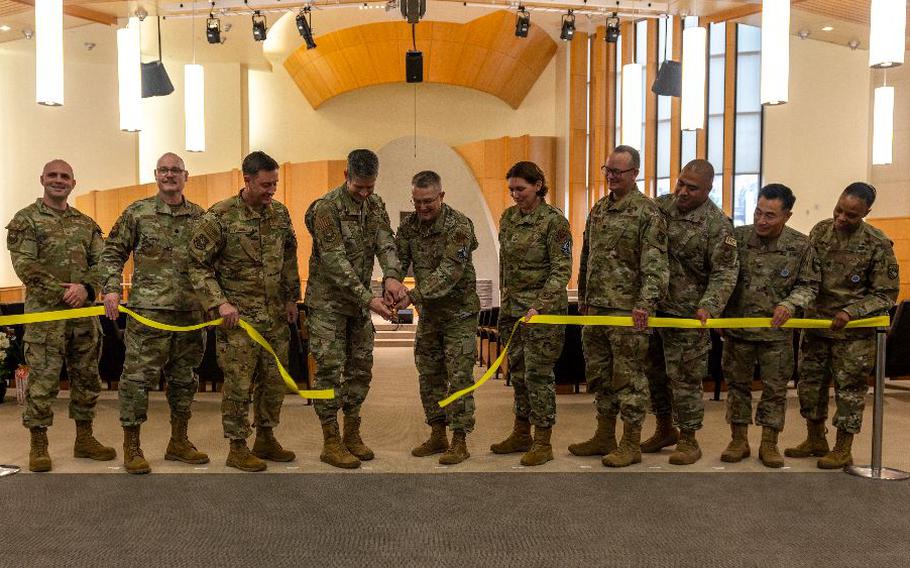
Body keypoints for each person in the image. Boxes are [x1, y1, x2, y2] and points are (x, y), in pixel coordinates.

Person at [188, 151, 301, 472]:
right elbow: (196, 265)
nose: (271, 191)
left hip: (275, 317)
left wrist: (292, 298)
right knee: (238, 383)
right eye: (265, 184)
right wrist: (219, 302)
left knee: (273, 381)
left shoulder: (279, 214)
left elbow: (290, 257)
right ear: (247, 180)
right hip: (238, 320)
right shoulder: (219, 217)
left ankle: (265, 437)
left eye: (275, 184)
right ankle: (237, 446)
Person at [98, 152, 209, 474]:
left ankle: (179, 441)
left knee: (184, 380)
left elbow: (212, 261)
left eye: (176, 170)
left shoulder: (201, 217)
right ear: (156, 175)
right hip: (149, 314)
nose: (170, 175)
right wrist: (111, 289)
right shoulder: (138, 212)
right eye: (164, 170)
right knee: (136, 380)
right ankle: (132, 446)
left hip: (190, 315)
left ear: (186, 176)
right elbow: (112, 252)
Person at [6, 159, 116, 472]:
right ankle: (38, 445)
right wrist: (63, 292)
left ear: (73, 183)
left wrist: (86, 288)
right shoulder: (26, 220)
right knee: (42, 383)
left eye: (64, 176)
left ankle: (85, 438)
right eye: (52, 175)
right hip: (45, 318)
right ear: (42, 179)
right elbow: (25, 265)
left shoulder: (85, 223)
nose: (58, 180)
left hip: (83, 318)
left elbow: (103, 263)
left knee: (86, 379)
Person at [303, 149, 405, 469]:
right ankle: (330, 439)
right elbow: (335, 262)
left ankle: (352, 432)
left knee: (361, 370)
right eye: (359, 187)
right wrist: (370, 299)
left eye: (369, 187)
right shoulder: (326, 209)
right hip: (328, 304)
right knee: (330, 371)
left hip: (359, 304)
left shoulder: (375, 205)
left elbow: (387, 244)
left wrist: (390, 277)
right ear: (346, 175)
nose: (364, 194)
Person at [785, 182, 899, 469]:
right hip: (816, 326)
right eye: (839, 210)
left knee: (849, 392)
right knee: (810, 386)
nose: (841, 219)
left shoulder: (877, 243)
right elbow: (808, 277)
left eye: (851, 215)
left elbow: (885, 294)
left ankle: (843, 448)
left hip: (854, 334)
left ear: (866, 213)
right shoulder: (820, 232)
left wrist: (851, 311)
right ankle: (815, 439)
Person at [571, 146, 668, 468]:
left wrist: (645, 304)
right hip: (596, 308)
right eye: (607, 169)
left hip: (628, 312)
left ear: (634, 173)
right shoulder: (599, 209)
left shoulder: (647, 212)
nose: (611, 176)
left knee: (628, 378)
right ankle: (604, 434)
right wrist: (583, 297)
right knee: (599, 375)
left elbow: (655, 264)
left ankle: (631, 442)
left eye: (618, 172)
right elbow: (587, 258)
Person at [643, 159, 739, 465]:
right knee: (654, 374)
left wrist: (709, 306)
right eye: (680, 183)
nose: (682, 191)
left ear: (709, 189)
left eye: (692, 187)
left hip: (687, 315)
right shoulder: (660, 207)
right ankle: (664, 428)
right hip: (653, 309)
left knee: (685, 380)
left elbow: (725, 272)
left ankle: (689, 439)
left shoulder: (717, 224)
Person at [720, 184, 819, 468]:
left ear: (787, 215)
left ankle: (769, 443)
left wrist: (790, 304)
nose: (761, 221)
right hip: (738, 332)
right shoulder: (736, 239)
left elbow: (809, 285)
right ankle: (738, 440)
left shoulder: (800, 245)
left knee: (775, 389)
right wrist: (720, 312)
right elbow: (722, 277)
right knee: (737, 386)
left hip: (776, 336)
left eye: (770, 216)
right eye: (758, 212)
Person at [489, 161, 572, 467]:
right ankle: (521, 432)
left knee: (538, 376)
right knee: (519, 375)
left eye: (520, 189)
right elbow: (505, 266)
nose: (515, 195)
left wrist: (541, 304)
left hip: (542, 313)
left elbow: (561, 269)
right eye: (511, 189)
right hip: (513, 311)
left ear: (538, 185)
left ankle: (543, 440)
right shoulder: (509, 218)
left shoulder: (554, 222)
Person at [395, 171, 481, 465]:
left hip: (460, 314)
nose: (422, 208)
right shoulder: (408, 227)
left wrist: (411, 296)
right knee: (429, 376)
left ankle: (459, 440)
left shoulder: (459, 226)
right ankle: (437, 433)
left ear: (441, 197)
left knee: (459, 377)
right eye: (417, 202)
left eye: (429, 201)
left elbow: (450, 272)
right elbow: (396, 260)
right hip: (430, 316)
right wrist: (392, 282)